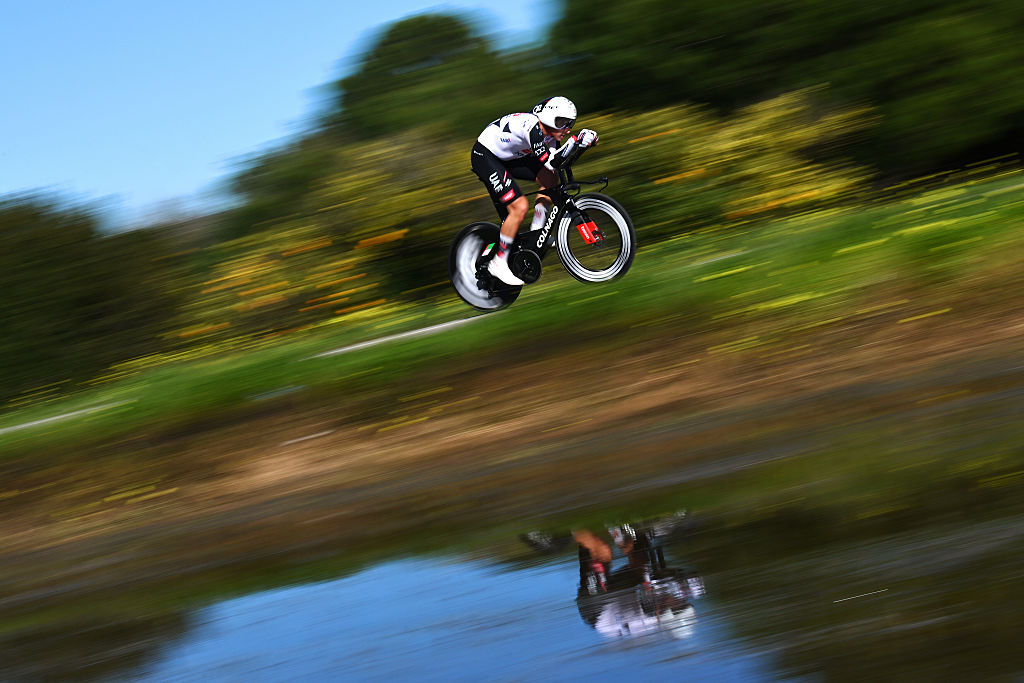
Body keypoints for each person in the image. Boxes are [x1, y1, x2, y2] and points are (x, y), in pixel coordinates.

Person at [470, 96, 600, 285]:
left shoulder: (551, 135)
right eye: (562, 123)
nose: (566, 129)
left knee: (551, 180)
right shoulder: (533, 128)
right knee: (519, 207)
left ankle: (537, 232)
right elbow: (551, 161)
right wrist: (574, 141)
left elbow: (557, 165)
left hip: (510, 157)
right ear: (548, 118)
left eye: (570, 124)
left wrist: (581, 146)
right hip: (486, 155)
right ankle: (498, 262)